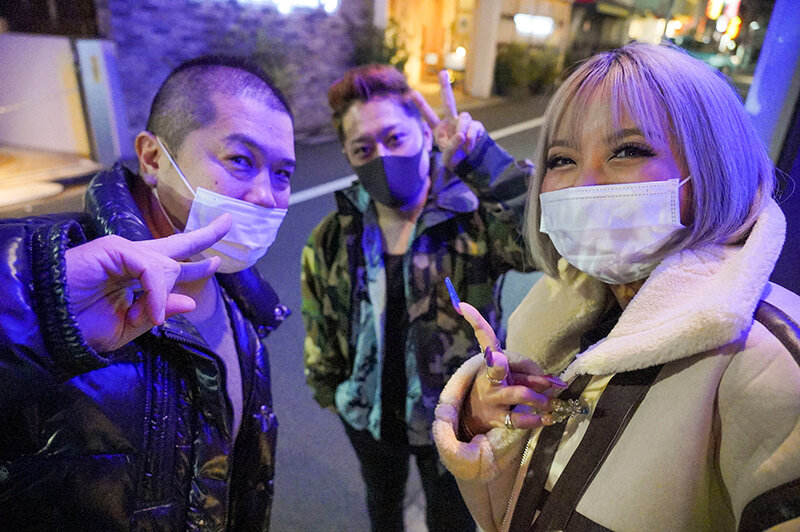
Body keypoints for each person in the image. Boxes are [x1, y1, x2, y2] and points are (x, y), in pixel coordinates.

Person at [432, 42, 800, 531]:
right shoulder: (559, 311)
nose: (583, 185)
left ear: (713, 164)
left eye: (628, 151)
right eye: (561, 159)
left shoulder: (771, 362)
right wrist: (484, 424)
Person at [0, 55, 295, 530]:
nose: (266, 195)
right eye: (241, 160)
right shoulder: (55, 276)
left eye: (282, 173)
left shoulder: (245, 308)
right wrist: (34, 313)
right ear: (153, 158)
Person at [300, 64, 533, 531]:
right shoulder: (333, 235)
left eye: (395, 138)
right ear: (348, 156)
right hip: (369, 421)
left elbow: (545, 241)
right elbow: (320, 328)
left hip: (456, 420)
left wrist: (480, 158)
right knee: (382, 507)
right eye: (363, 149)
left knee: (452, 521)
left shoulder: (472, 219)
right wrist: (336, 396)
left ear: (425, 134)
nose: (382, 157)